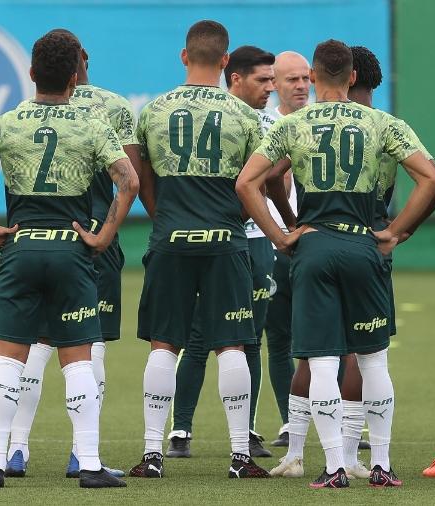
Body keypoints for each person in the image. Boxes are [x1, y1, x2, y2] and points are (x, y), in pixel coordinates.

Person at [237, 39, 435, 488]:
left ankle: (332, 468)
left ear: (313, 78)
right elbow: (434, 179)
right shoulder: (382, 122)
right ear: (353, 78)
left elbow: (251, 181)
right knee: (373, 361)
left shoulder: (294, 124)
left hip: (313, 247)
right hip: (363, 247)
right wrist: (396, 231)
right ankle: (381, 466)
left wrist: (283, 234)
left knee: (323, 361)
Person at [0, 30, 138, 488]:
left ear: (32, 73)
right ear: (75, 77)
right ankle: (90, 465)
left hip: (21, 248)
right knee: (78, 361)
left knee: (9, 360)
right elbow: (129, 181)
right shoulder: (93, 125)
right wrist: (104, 235)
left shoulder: (7, 122)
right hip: (72, 251)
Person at [129, 20, 268, 479]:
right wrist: (236, 220)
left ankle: (152, 455)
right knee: (231, 346)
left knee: (164, 345)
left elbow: (141, 180)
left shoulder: (151, 111)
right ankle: (239, 456)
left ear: (184, 56)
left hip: (170, 238)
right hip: (225, 241)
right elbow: (255, 183)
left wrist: (165, 219)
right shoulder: (247, 116)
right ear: (226, 61)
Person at [167, 44, 277, 460]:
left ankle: (246, 430)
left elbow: (276, 176)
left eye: (273, 80)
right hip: (222, 239)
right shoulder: (224, 118)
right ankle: (181, 430)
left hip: (254, 241)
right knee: (197, 338)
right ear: (235, 77)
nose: (271, 87)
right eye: (263, 80)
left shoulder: (267, 121)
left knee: (250, 338)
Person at [264, 50, 311, 448]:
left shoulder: (318, 122)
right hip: (276, 241)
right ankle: (287, 421)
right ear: (274, 83)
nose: (300, 86)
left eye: (305, 78)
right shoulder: (267, 126)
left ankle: (347, 417)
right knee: (278, 338)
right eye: (291, 80)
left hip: (314, 241)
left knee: (326, 338)